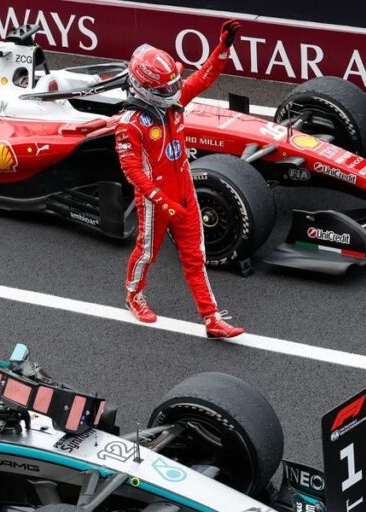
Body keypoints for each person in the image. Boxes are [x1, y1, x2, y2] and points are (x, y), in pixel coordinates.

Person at [116, 19, 246, 339]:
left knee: (195, 257)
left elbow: (203, 77)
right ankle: (134, 294)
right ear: (145, 89)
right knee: (147, 253)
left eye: (174, 83)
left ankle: (211, 318)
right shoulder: (129, 124)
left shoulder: (173, 101)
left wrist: (223, 47)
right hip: (154, 202)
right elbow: (132, 172)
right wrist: (163, 203)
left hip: (185, 192)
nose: (174, 90)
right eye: (166, 88)